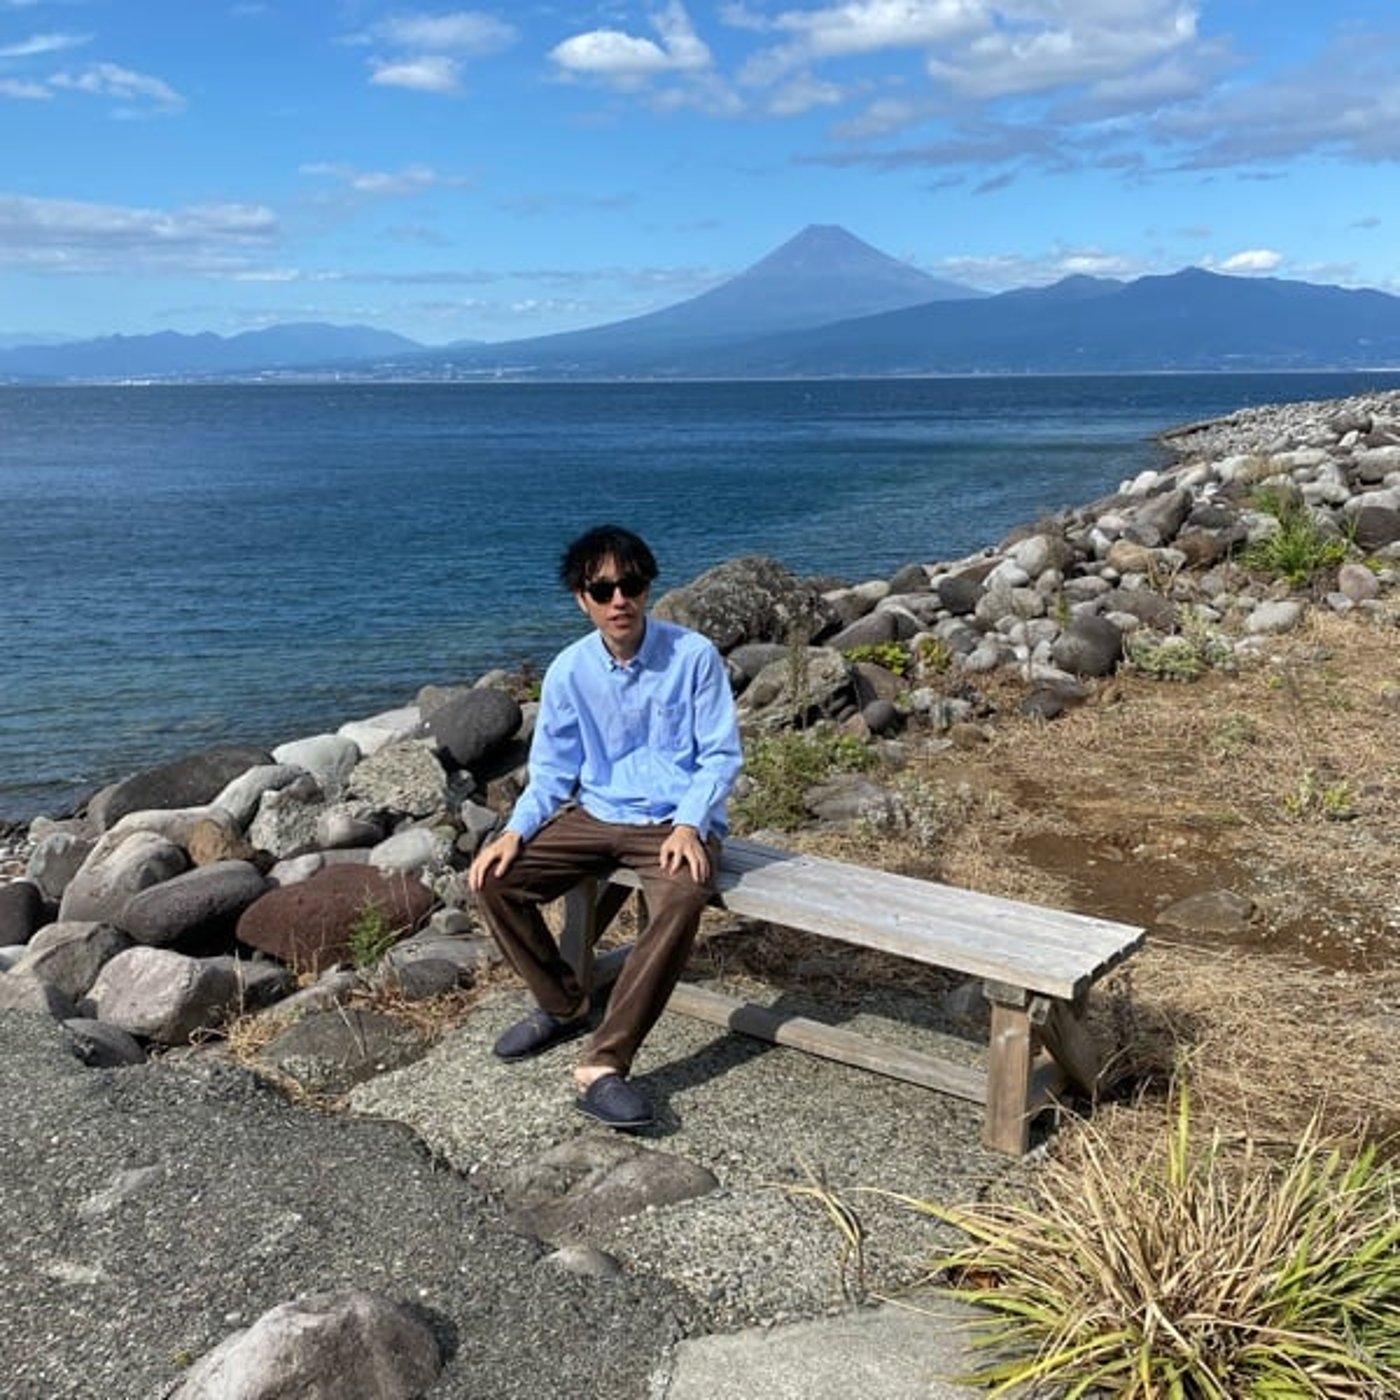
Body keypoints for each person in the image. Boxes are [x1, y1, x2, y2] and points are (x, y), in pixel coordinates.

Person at [468, 524, 743, 1130]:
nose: (619, 599)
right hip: (597, 814)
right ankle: (563, 1003)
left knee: (682, 895)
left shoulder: (693, 656)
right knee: (494, 880)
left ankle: (604, 1063)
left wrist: (690, 824)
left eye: (631, 584)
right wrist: (514, 831)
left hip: (673, 820)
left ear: (647, 588)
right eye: (602, 589)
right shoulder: (569, 671)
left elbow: (721, 757)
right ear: (582, 599)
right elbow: (551, 772)